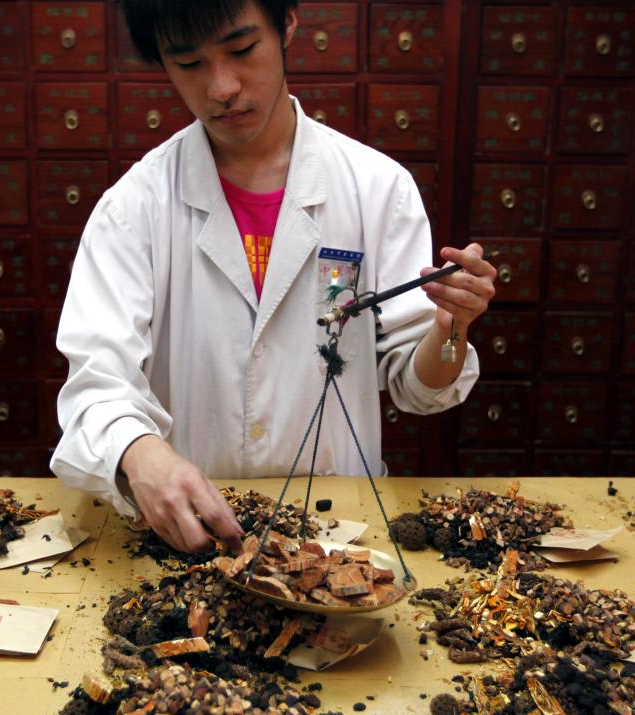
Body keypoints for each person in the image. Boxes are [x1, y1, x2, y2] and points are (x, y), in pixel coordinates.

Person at [51, 0, 496, 553]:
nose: (221, 87)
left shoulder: (378, 188)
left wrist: (452, 324)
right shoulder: (134, 207)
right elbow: (97, 384)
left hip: (336, 538)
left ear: (286, 25)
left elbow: (419, 388)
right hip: (193, 536)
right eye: (187, 63)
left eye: (242, 50)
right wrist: (141, 454)